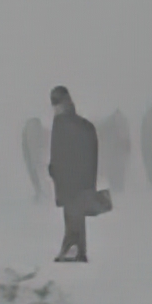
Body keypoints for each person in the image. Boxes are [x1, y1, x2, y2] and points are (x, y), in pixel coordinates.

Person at [47, 86, 99, 263]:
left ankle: (74, 249)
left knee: (73, 214)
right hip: (71, 178)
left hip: (72, 179)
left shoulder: (66, 124)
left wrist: (57, 169)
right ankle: (75, 249)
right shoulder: (71, 123)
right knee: (73, 213)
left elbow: (65, 151)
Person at [100, 110, 133, 194]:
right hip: (115, 153)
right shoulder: (122, 123)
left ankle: (117, 188)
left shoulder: (108, 124)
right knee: (117, 171)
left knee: (116, 171)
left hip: (115, 153)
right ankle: (118, 188)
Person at [21, 117, 49, 203]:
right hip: (29, 124)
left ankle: (44, 192)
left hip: (33, 122)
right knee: (32, 163)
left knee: (37, 163)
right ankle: (40, 191)